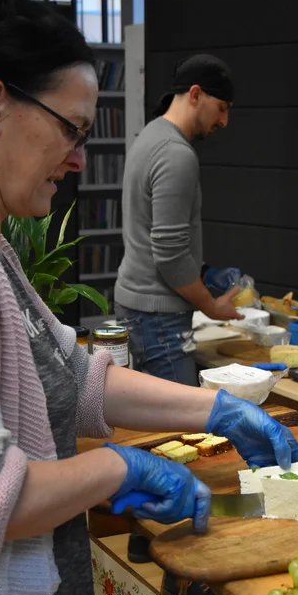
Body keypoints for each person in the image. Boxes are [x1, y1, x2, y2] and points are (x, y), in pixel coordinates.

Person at [0, 0, 298, 595]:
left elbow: (74, 376)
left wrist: (216, 408)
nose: (80, 159)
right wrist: (117, 467)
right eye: (71, 129)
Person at [115, 53, 243, 387]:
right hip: (159, 317)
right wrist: (212, 307)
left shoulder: (149, 136)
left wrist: (202, 274)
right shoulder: (176, 153)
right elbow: (170, 254)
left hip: (138, 306)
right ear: (196, 94)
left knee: (152, 421)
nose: (225, 121)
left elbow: (153, 235)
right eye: (223, 107)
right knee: (180, 429)